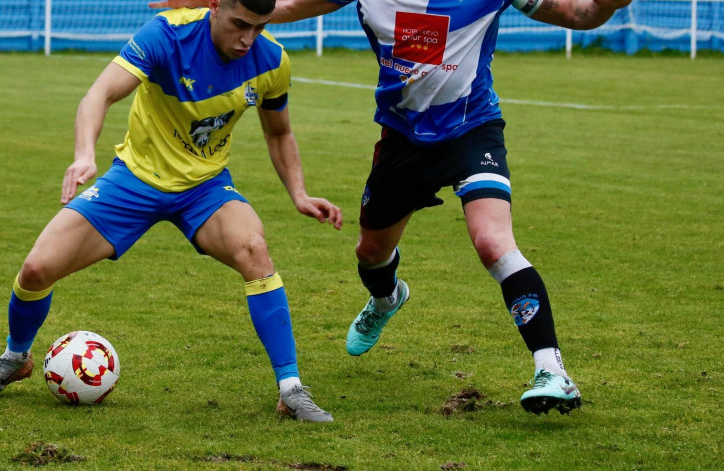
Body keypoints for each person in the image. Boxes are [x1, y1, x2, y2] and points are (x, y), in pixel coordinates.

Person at [151, 0, 632, 415]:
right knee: (370, 252)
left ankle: (551, 370)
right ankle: (387, 298)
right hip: (402, 140)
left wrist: (610, 4)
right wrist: (209, 6)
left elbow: (579, 12)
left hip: (472, 129)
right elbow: (281, 8)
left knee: (492, 241)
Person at [0, 0, 343, 423]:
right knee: (36, 269)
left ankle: (291, 389)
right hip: (134, 181)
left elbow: (280, 131)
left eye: (258, 27)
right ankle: (17, 357)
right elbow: (99, 94)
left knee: (255, 251)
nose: (247, 40)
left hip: (204, 188)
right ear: (214, 6)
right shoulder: (166, 34)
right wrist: (84, 154)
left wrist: (299, 193)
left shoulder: (271, 60)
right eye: (239, 25)